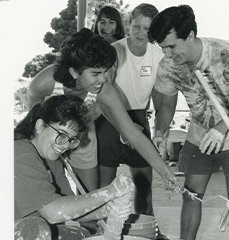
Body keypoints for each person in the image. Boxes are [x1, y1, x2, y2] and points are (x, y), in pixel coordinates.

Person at [27, 28, 181, 195]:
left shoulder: (104, 91)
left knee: (89, 198)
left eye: (105, 71)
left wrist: (165, 172)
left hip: (83, 137)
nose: (103, 79)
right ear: (74, 72)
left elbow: (133, 135)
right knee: (46, 192)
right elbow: (32, 125)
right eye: (95, 73)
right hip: (48, 138)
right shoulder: (43, 83)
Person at [148, 5, 229, 240]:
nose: (167, 54)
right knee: (191, 194)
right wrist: (160, 132)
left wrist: (221, 128)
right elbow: (166, 104)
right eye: (162, 48)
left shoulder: (225, 54)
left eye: (172, 46)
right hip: (199, 135)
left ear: (190, 36)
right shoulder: (168, 65)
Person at [14, 94, 135, 239]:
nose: (65, 145)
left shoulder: (51, 158)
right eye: (62, 135)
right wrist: (109, 191)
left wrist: (106, 209)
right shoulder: (21, 153)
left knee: (80, 234)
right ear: (40, 126)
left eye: (72, 140)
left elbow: (70, 209)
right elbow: (54, 212)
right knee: (36, 228)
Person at [96, 3, 167, 239]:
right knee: (103, 187)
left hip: (139, 118)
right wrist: (122, 127)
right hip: (108, 117)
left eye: (147, 29)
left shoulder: (159, 55)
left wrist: (160, 131)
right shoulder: (113, 51)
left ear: (154, 30)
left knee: (144, 184)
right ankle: (98, 232)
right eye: (136, 26)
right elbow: (103, 93)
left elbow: (162, 97)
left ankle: (151, 233)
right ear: (129, 24)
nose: (139, 32)